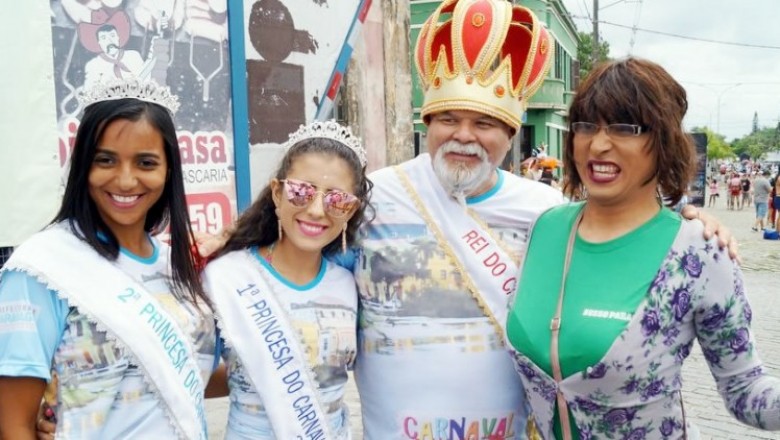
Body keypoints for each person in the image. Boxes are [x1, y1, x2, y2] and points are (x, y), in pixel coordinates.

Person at [352, 2, 734, 438]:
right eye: (448, 119)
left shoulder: (546, 211)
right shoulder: (371, 196)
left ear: (510, 135)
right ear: (428, 124)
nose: (463, 135)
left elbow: (624, 233)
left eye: (483, 123)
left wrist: (688, 222)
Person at [507, 57, 780, 440]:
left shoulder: (699, 252)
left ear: (663, 141)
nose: (598, 144)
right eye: (586, 126)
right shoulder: (544, 227)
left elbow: (744, 390)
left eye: (624, 128)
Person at [0, 79, 217, 439]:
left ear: (168, 171)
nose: (126, 180)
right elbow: (13, 426)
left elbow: (185, 375)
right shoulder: (40, 269)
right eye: (106, 160)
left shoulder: (173, 267)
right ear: (83, 166)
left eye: (146, 162)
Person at [201, 121, 372, 439]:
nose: (317, 210)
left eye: (337, 200)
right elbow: (193, 376)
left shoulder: (350, 282)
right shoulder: (225, 277)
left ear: (351, 211)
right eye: (301, 192)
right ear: (277, 193)